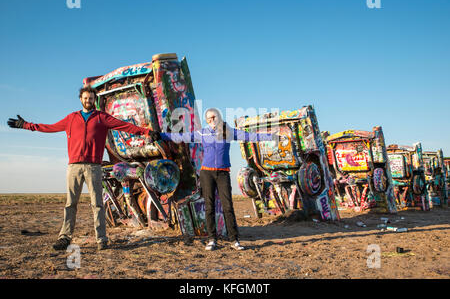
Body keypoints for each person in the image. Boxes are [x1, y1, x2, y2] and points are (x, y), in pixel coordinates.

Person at [7, 87, 154, 251]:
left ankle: (101, 239)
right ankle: (64, 238)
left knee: (97, 204)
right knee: (70, 204)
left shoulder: (101, 118)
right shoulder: (71, 118)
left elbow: (124, 126)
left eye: (91, 98)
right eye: (85, 98)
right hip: (74, 168)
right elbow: (50, 127)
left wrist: (146, 132)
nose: (88, 101)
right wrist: (26, 125)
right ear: (80, 99)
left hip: (93, 167)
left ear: (94, 100)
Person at [153, 108, 275, 251]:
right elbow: (183, 137)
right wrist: (161, 136)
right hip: (207, 174)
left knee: (228, 206)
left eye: (214, 117)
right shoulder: (203, 133)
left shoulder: (228, 132)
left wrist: (270, 136)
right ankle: (212, 239)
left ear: (219, 117)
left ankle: (234, 240)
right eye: (209, 119)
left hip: (223, 174)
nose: (212, 121)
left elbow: (248, 136)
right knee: (209, 206)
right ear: (207, 121)